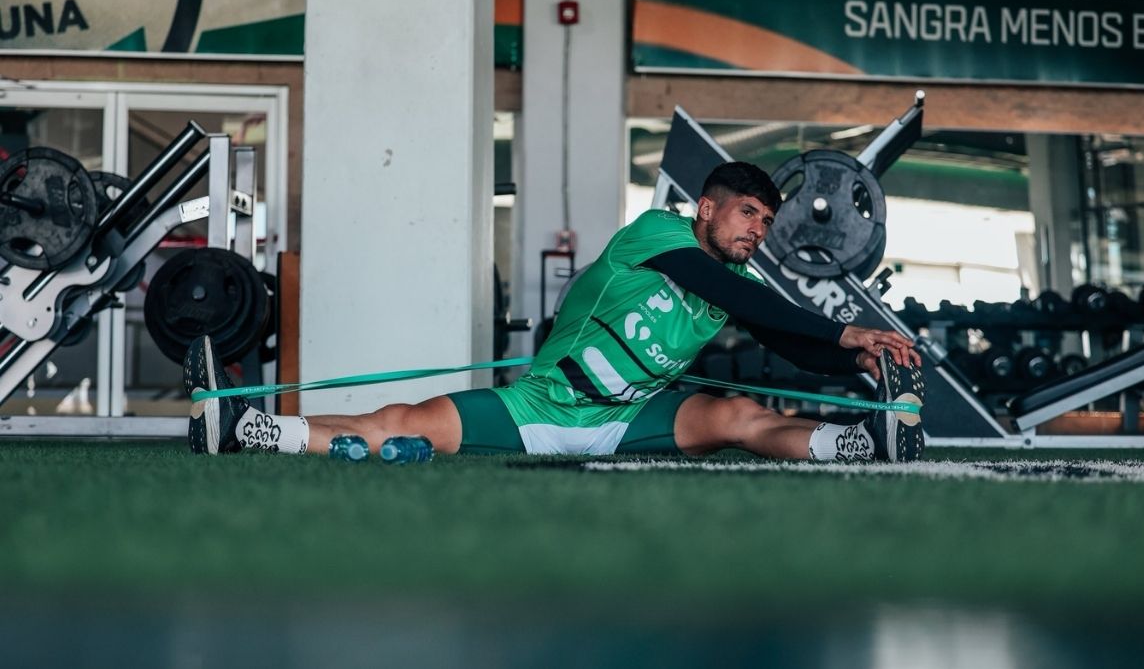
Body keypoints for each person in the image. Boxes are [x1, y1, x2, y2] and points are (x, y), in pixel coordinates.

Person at [187, 162, 925, 462]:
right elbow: (746, 301)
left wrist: (850, 357)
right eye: (747, 214)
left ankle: (862, 442)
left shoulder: (730, 267)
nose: (757, 231)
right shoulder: (658, 236)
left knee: (734, 412)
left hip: (630, 415)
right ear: (707, 207)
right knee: (403, 421)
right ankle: (248, 426)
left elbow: (779, 332)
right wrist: (844, 327)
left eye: (766, 222)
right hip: (545, 407)